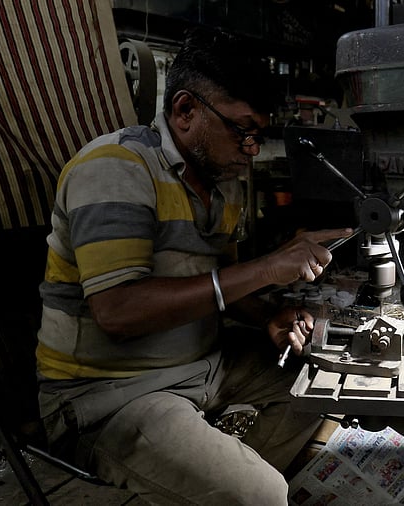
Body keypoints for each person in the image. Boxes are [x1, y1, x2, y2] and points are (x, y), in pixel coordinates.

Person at [35, 27, 352, 505]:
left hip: (206, 367)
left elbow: (219, 284)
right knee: (261, 495)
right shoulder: (114, 167)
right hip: (111, 396)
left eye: (258, 136)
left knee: (321, 387)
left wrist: (267, 316)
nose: (251, 149)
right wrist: (267, 267)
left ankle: (210, 477)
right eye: (242, 131)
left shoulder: (221, 184)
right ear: (185, 111)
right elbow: (117, 312)